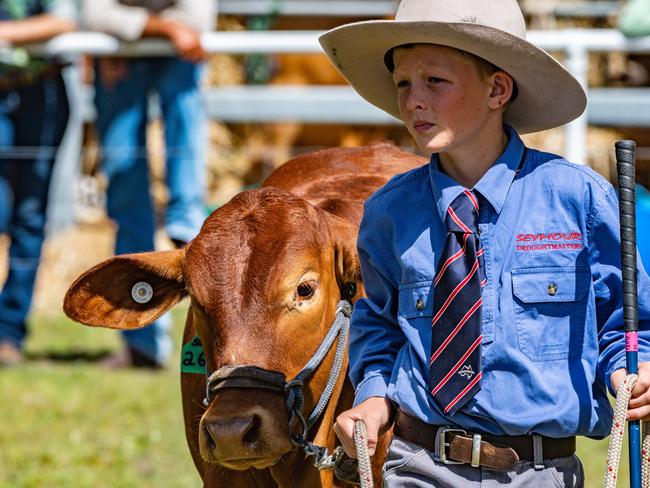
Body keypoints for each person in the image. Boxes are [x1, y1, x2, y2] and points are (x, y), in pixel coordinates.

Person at [318, 0, 650, 485]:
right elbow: (381, 327)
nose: (414, 100)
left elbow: (627, 322)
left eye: (435, 81)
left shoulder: (578, 200)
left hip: (541, 471)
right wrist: (372, 400)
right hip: (418, 464)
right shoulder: (389, 213)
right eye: (404, 83)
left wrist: (630, 371)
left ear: (497, 89)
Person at [82, 0, 214, 368]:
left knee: (185, 210)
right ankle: (142, 344)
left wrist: (126, 34)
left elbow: (198, 20)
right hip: (125, 59)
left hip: (148, 57)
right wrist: (165, 31)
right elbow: (94, 13)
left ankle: (208, 338)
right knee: (127, 198)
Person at [0, 0, 77, 366]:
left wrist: (6, 33)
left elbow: (64, 19)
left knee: (29, 216)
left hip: (39, 92)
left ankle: (8, 334)